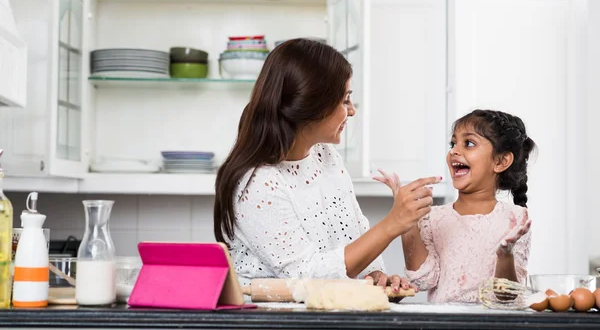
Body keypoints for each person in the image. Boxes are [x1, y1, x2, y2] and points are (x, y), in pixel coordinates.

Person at [213, 38, 441, 294]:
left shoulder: (326, 155)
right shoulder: (257, 182)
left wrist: (374, 274)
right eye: (345, 100)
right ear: (312, 105)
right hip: (270, 320)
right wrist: (392, 224)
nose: (352, 111)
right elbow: (306, 276)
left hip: (326, 313)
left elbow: (354, 233)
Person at [375, 109, 535, 303]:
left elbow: (507, 297)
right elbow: (424, 280)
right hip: (444, 326)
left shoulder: (516, 219)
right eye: (453, 143)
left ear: (500, 161)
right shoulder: (432, 217)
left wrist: (505, 254)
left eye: (468, 143)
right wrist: (407, 216)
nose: (454, 151)